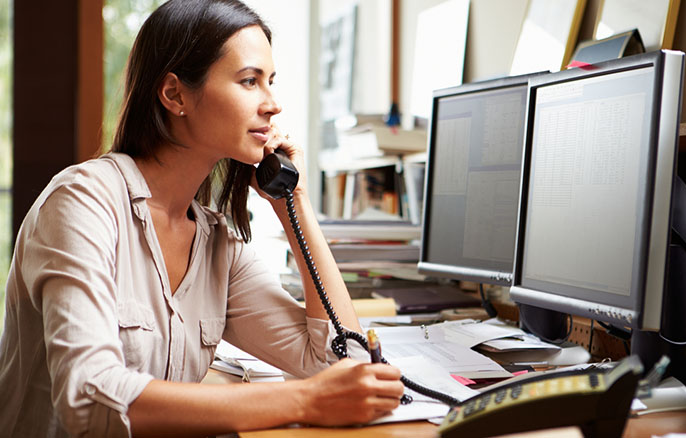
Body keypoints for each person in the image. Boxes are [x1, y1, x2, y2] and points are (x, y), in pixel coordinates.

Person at [0, 1, 405, 436]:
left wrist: (296, 206)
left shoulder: (217, 245)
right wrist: (305, 400)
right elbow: (88, 398)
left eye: (271, 82)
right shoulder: (82, 203)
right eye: (250, 81)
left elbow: (346, 364)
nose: (273, 105)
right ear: (175, 95)